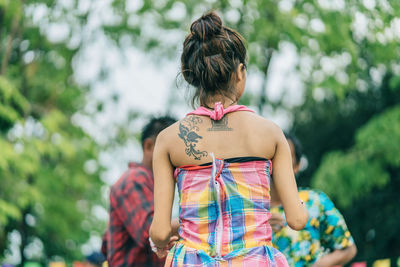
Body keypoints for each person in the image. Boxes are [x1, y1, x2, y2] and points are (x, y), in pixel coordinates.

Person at [149, 11, 308, 266]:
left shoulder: (169, 140)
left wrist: (160, 244)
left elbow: (159, 231)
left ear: (195, 77)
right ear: (240, 73)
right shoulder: (270, 133)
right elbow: (297, 220)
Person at [270, 133, 357, 267]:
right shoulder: (251, 209)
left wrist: (319, 265)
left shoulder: (315, 201)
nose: (278, 164)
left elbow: (348, 249)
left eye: (285, 158)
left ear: (297, 166)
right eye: (273, 157)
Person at [102, 116, 178, 267]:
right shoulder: (134, 179)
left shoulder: (157, 186)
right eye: (171, 149)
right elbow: (150, 233)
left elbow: (105, 245)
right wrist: (197, 221)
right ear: (149, 146)